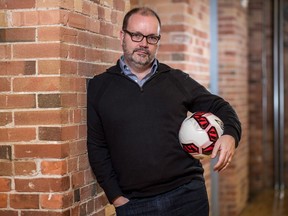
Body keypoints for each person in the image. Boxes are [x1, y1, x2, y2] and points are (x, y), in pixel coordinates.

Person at [87, 7, 241, 216]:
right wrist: (116, 197)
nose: (144, 43)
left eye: (152, 37)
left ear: (158, 41)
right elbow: (97, 147)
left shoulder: (176, 80)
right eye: (137, 35)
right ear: (122, 35)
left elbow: (220, 106)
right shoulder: (100, 87)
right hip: (134, 205)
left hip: (188, 197)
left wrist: (230, 134)